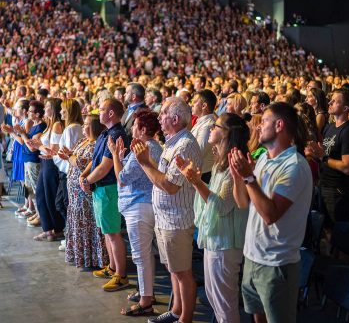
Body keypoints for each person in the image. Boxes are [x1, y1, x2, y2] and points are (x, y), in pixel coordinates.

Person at [229, 102, 313, 323]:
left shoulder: (294, 166)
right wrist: (239, 178)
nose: (258, 127)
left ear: (279, 125)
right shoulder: (265, 158)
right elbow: (243, 203)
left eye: (264, 121)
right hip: (253, 255)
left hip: (277, 263)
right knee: (258, 319)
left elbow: (271, 214)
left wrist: (249, 178)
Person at [132, 97, 202, 323]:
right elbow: (161, 175)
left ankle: (186, 319)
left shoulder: (186, 146)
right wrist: (147, 161)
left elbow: (170, 186)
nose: (159, 118)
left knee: (183, 273)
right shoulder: (172, 141)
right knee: (173, 269)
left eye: (163, 114)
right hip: (165, 217)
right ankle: (176, 310)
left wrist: (144, 163)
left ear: (175, 118)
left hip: (177, 219)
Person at [176, 113, 250, 323]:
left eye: (215, 126)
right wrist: (195, 180)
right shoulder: (221, 163)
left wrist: (197, 182)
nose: (210, 129)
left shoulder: (234, 165)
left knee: (224, 303)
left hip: (226, 243)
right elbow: (213, 199)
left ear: (227, 134)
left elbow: (223, 206)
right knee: (214, 297)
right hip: (217, 238)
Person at [108, 110, 163, 316]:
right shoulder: (155, 146)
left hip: (139, 207)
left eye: (135, 125)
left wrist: (115, 155)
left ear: (143, 129)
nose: (131, 128)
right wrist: (122, 157)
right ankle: (146, 291)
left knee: (141, 256)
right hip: (145, 206)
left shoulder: (144, 147)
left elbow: (122, 177)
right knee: (145, 255)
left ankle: (146, 301)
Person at [80, 98, 130, 292]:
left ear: (111, 114)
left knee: (113, 233)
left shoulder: (117, 134)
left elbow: (105, 166)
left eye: (101, 109)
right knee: (107, 232)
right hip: (100, 189)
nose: (97, 112)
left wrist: (87, 180)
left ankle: (121, 275)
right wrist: (85, 175)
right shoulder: (105, 133)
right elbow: (95, 160)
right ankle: (112, 267)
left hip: (109, 188)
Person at [60, 114, 109, 269]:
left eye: (86, 124)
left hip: (85, 191)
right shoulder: (82, 141)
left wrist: (70, 157)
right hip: (74, 190)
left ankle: (93, 258)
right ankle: (80, 256)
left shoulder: (96, 145)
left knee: (88, 222)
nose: (83, 127)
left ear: (94, 126)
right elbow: (73, 158)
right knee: (76, 220)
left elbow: (81, 162)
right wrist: (69, 155)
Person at [306, 88, 349, 225]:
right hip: (324, 184)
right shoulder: (329, 127)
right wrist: (314, 154)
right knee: (325, 228)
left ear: (345, 108)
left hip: (337, 190)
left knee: (335, 232)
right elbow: (326, 155)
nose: (329, 102)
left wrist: (323, 157)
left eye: (335, 101)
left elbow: (348, 167)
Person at [29, 98, 65, 241]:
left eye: (48, 106)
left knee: (50, 196)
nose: (45, 108)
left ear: (54, 109)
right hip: (44, 162)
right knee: (41, 195)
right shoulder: (49, 124)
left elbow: (54, 151)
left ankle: (57, 228)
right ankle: (48, 228)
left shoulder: (57, 125)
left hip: (51, 164)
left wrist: (39, 146)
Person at [53, 98, 84, 250]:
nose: (60, 112)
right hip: (68, 170)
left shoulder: (71, 128)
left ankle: (71, 236)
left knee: (65, 204)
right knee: (63, 203)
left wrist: (57, 156)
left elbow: (69, 153)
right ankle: (71, 234)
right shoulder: (75, 127)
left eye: (63, 109)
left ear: (69, 111)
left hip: (69, 171)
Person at [15, 100, 47, 225]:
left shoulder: (41, 126)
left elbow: (32, 147)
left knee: (36, 189)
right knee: (30, 189)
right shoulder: (34, 125)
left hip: (34, 161)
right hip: (27, 160)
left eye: (30, 111)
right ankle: (37, 213)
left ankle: (40, 215)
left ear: (38, 114)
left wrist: (22, 133)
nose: (28, 112)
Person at [190, 89, 217, 183]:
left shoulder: (207, 126)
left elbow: (198, 152)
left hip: (203, 175)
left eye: (194, 102)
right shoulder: (201, 122)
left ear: (204, 105)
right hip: (199, 172)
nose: (191, 104)